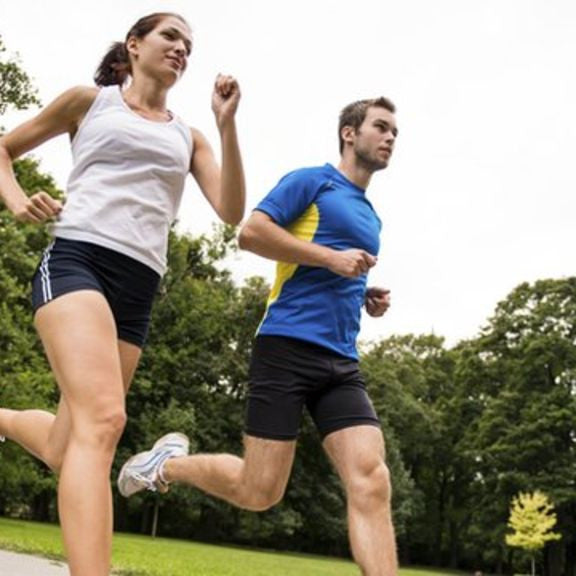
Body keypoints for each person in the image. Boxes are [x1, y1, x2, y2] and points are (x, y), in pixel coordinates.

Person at [0, 12, 245, 576]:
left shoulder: (190, 136)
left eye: (189, 44)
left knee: (69, 445)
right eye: (170, 37)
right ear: (134, 47)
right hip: (77, 260)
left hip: (138, 286)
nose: (181, 48)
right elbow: (5, 150)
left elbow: (231, 211)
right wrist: (17, 203)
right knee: (106, 422)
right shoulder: (90, 102)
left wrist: (226, 125)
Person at [118, 96, 398, 576]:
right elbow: (250, 233)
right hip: (286, 347)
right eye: (382, 127)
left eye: (395, 131)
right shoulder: (312, 181)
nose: (391, 137)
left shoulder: (371, 215)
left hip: (341, 363)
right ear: (350, 133)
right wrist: (331, 259)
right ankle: (165, 465)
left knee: (371, 479)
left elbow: (326, 271)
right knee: (259, 491)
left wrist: (361, 294)